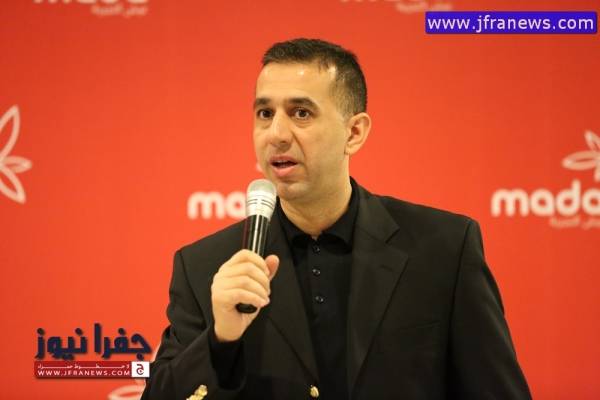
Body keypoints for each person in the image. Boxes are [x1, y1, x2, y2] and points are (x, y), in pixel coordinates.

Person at [141, 38, 531, 400]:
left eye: (301, 113)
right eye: (265, 113)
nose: (276, 133)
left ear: (354, 132)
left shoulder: (444, 248)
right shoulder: (204, 265)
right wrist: (220, 340)